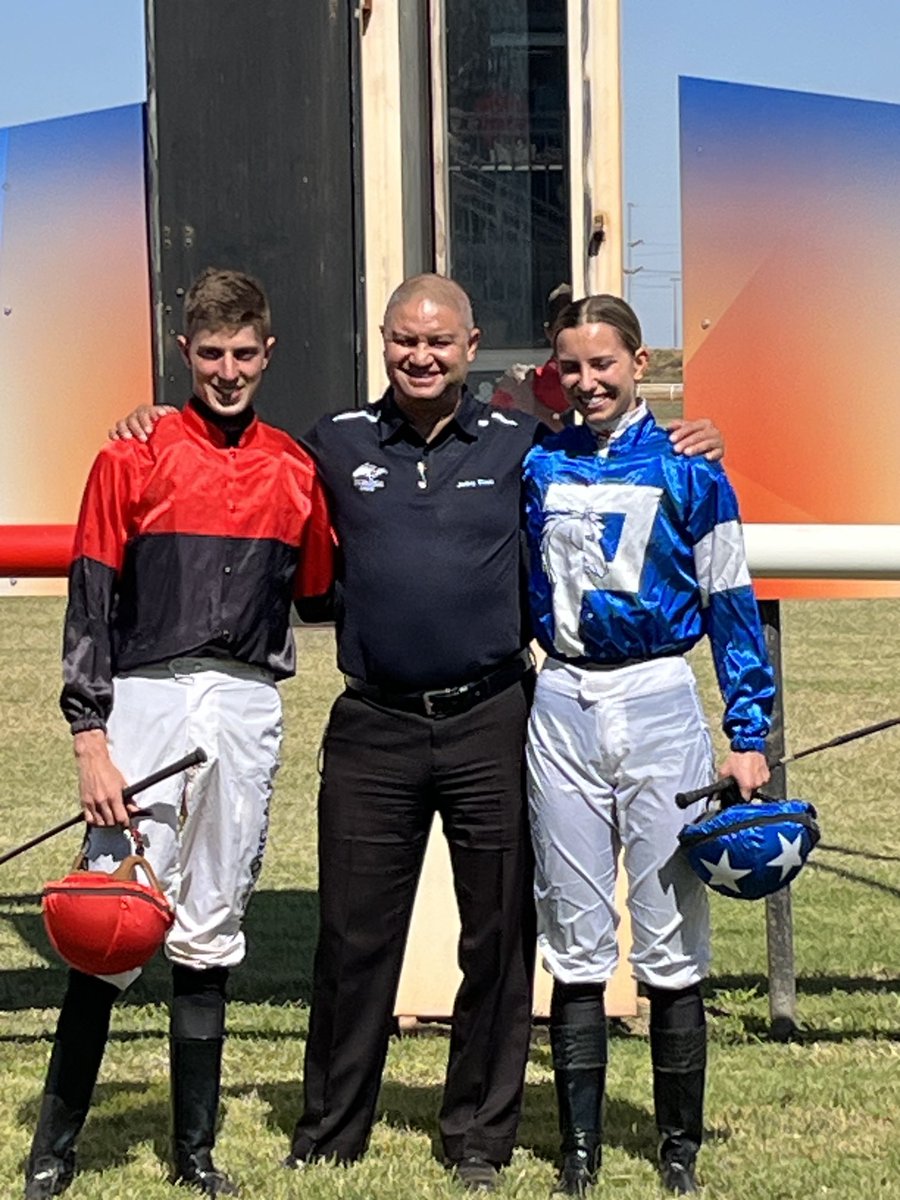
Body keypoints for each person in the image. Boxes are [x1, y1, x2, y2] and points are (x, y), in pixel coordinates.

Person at [110, 273, 726, 1193]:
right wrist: (151, 419)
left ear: (471, 347)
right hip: (374, 723)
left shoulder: (528, 444)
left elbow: (616, 456)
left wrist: (698, 434)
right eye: (404, 341)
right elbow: (240, 446)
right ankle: (331, 1129)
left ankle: (479, 1135)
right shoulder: (335, 443)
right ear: (384, 343)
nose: (421, 356)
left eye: (439, 342)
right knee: (353, 936)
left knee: (499, 938)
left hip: (493, 717)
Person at [24, 268, 334, 1200]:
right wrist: (90, 738)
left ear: (268, 352)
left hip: (245, 702)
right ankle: (54, 1148)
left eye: (244, 354)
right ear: (183, 352)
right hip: (146, 697)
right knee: (109, 920)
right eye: (211, 355)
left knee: (213, 923)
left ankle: (195, 1154)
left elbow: (320, 592)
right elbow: (89, 603)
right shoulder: (131, 453)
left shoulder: (295, 467)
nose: (229, 371)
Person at [521, 294, 774, 1196]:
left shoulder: (692, 469)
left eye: (603, 365)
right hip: (562, 697)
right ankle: (579, 1149)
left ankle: (679, 1146)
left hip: (660, 695)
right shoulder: (539, 462)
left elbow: (732, 608)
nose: (587, 382)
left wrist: (749, 735)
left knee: (671, 934)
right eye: (572, 367)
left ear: (638, 364)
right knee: (576, 935)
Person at [490, 282, 572, 428]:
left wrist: (531, 405)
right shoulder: (520, 383)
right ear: (549, 332)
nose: (573, 333)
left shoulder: (601, 384)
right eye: (565, 325)